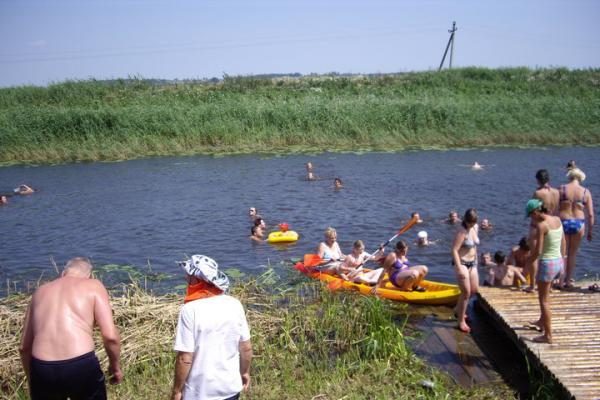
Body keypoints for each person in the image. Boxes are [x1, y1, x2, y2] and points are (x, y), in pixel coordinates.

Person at [19, 257, 122, 400]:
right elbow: (110, 336)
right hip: (80, 364)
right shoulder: (93, 286)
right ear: (89, 275)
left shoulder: (39, 292)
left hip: (43, 367)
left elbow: (24, 348)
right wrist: (115, 367)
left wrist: (33, 380)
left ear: (63, 273)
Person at [172, 255, 252, 400]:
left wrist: (177, 390)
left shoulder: (190, 310)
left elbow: (185, 358)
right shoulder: (234, 304)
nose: (186, 279)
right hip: (230, 389)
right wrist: (245, 372)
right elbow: (246, 347)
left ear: (197, 280)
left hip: (198, 393)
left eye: (189, 276)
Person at [525, 199, 566, 344]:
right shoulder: (557, 219)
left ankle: (548, 335)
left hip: (547, 263)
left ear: (536, 212)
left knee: (544, 300)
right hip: (558, 261)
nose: (531, 219)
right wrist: (564, 259)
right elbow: (563, 241)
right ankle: (542, 321)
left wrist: (527, 263)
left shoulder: (542, 226)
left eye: (531, 215)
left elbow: (538, 251)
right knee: (546, 296)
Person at [559, 167, 594, 288]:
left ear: (570, 177)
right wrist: (590, 231)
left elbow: (553, 208)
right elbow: (590, 214)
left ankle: (560, 281)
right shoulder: (585, 192)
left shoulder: (562, 189)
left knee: (562, 253)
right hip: (579, 223)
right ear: (580, 178)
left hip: (563, 221)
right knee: (572, 253)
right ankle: (568, 281)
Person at [451, 208, 480, 333]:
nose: (471, 225)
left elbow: (474, 246)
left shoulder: (475, 227)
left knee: (474, 290)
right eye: (469, 223)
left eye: (473, 223)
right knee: (466, 293)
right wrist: (459, 268)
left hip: (473, 263)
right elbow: (454, 250)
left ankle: (458, 309)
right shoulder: (462, 231)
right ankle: (461, 321)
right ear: (465, 220)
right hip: (462, 262)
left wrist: (476, 262)